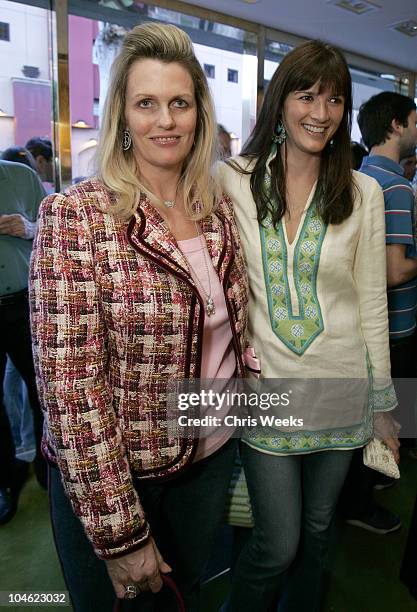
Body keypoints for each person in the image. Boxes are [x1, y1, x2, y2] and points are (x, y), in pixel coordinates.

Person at [30, 22, 248, 612]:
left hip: (209, 454)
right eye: (146, 104)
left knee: (189, 594)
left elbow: (231, 339)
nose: (165, 121)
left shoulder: (217, 208)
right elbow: (71, 390)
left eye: (180, 103)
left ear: (199, 112)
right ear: (122, 115)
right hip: (120, 473)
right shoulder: (76, 216)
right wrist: (121, 532)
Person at [217, 40, 400, 611]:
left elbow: (372, 302)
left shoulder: (364, 191)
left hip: (342, 387)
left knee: (319, 531)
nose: (322, 113)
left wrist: (384, 401)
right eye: (307, 95)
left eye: (336, 99)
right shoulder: (232, 181)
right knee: (276, 543)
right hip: (265, 391)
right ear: (280, 101)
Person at [358, 93, 417, 447]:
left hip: (370, 326)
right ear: (396, 126)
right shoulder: (395, 187)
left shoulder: (360, 176)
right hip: (397, 326)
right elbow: (394, 271)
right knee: (392, 427)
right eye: (415, 123)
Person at [0, 159, 47, 524]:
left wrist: (30, 227)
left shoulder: (21, 175)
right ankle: (5, 480)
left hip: (22, 301)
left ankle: (52, 472)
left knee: (41, 389)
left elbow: (51, 231)